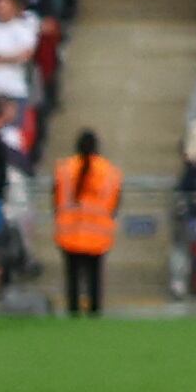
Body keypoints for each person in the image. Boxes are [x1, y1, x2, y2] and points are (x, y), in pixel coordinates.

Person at [51, 127, 119, 315]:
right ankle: (95, 312)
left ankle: (73, 311)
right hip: (98, 234)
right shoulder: (109, 171)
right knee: (95, 278)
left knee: (72, 278)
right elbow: (114, 203)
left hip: (69, 232)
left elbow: (56, 199)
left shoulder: (64, 168)